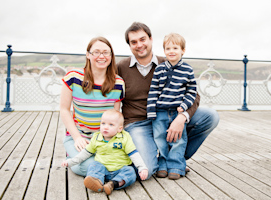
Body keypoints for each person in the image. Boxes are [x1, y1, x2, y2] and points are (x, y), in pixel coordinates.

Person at [117, 22, 220, 180]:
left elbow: (193, 94)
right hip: (138, 123)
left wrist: (182, 117)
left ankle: (175, 162)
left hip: (169, 115)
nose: (139, 45)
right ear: (129, 45)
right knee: (147, 169)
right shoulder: (121, 67)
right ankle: (161, 161)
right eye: (134, 42)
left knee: (210, 116)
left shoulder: (169, 64)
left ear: (151, 39)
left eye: (143, 39)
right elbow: (107, 92)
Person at [60, 36, 125, 177]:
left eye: (106, 52)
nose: (101, 56)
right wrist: (77, 138)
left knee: (119, 162)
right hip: (79, 137)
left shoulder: (118, 83)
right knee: (86, 166)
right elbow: (64, 110)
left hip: (104, 139)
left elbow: (115, 116)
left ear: (111, 56)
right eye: (96, 52)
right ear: (88, 55)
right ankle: (73, 156)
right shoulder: (73, 77)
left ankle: (97, 166)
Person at [147, 33, 197, 180]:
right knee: (160, 138)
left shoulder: (187, 70)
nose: (171, 51)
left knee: (178, 139)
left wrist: (184, 106)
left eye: (175, 47)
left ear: (183, 50)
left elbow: (191, 91)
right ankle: (162, 163)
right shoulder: (160, 69)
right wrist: (151, 111)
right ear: (164, 51)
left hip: (176, 111)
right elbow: (153, 91)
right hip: (160, 111)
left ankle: (175, 165)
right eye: (168, 48)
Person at [62, 109, 148, 195]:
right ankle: (97, 182)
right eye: (103, 123)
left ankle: (113, 184)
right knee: (93, 165)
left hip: (120, 170)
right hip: (103, 171)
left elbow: (133, 153)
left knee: (130, 171)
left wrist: (142, 167)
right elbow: (85, 153)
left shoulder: (124, 137)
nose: (105, 127)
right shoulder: (97, 138)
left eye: (111, 125)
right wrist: (71, 162)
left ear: (119, 129)